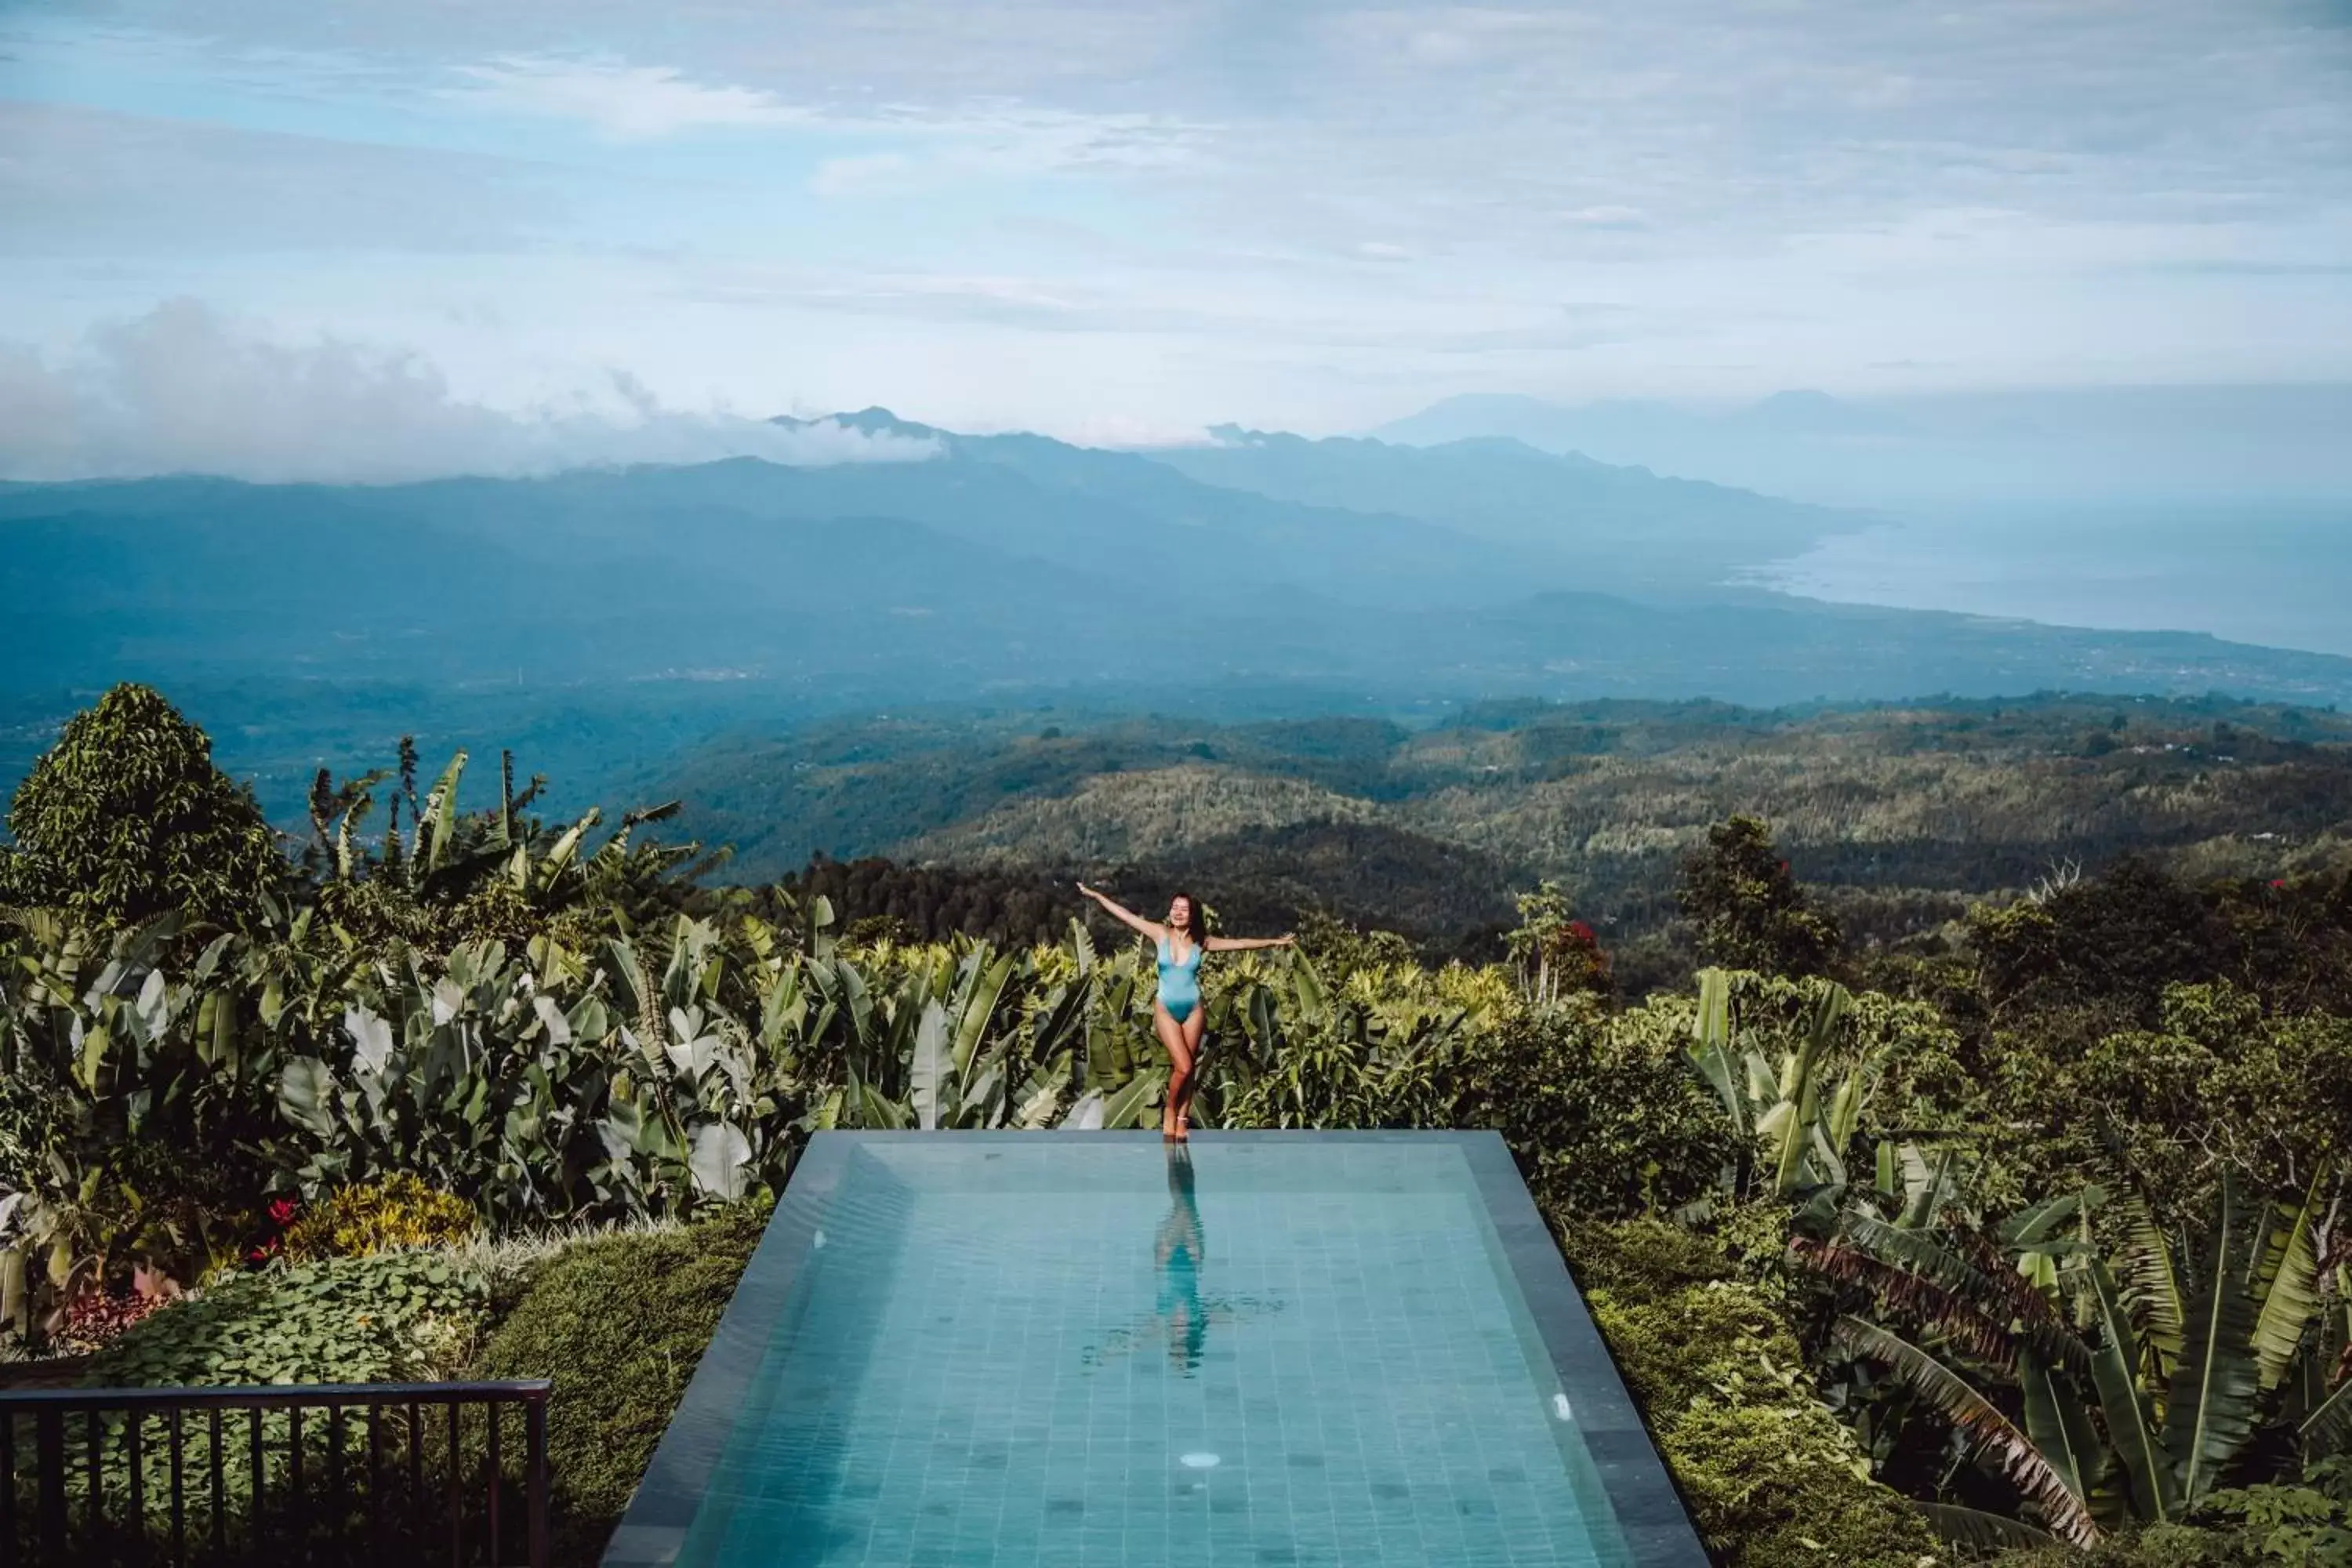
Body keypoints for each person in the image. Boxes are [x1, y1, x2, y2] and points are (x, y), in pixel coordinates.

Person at [1075, 884, 1293, 1140]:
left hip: (1193, 1009)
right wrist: (1097, 895)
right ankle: (1170, 1110)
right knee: (1184, 1066)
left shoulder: (1203, 942)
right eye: (1175, 908)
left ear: (1193, 914)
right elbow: (1126, 916)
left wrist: (1276, 941)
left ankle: (1182, 1119)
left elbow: (1241, 943)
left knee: (1190, 1071)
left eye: (1184, 909)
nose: (1178, 913)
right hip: (1166, 1007)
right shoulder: (1160, 934)